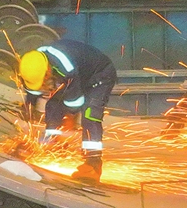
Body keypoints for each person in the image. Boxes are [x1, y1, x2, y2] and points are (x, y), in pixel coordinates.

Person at [19, 39, 118, 182]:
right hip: (78, 72)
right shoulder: (33, 65)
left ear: (47, 71)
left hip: (100, 75)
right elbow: (32, 93)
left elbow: (74, 103)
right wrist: (29, 108)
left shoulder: (65, 67)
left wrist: (68, 121)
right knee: (53, 105)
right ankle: (54, 144)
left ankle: (93, 164)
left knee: (90, 115)